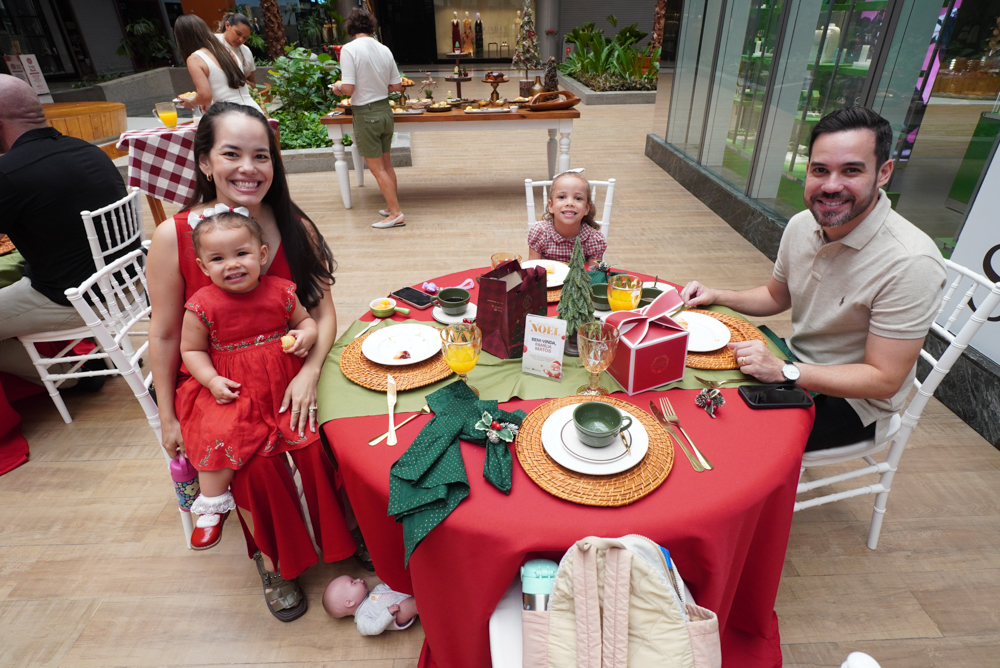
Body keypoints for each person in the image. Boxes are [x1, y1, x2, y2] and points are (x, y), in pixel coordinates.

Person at [147, 101, 359, 622]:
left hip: (292, 369)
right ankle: (273, 558)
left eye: (261, 155)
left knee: (321, 441)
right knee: (256, 462)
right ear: (203, 162)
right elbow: (168, 332)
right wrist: (168, 417)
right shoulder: (175, 237)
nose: (249, 168)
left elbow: (322, 314)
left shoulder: (292, 225)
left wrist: (310, 374)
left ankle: (347, 535)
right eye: (231, 153)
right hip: (223, 382)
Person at [680, 106, 947, 452]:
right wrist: (718, 293)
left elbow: (884, 379)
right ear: (807, 171)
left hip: (857, 402)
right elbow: (777, 296)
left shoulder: (912, 262)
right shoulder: (803, 224)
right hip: (796, 360)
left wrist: (786, 371)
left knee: (724, 440)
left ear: (883, 173)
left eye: (851, 170)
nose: (831, 186)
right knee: (690, 390)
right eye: (821, 170)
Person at [177, 211, 318, 551]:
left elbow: (306, 320)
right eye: (218, 258)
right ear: (203, 266)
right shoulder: (201, 306)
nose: (232, 264)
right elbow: (191, 350)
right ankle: (211, 505)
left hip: (281, 384)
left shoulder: (281, 292)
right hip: (232, 387)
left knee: (316, 437)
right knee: (219, 432)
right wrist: (211, 380)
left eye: (241, 253)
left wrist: (305, 335)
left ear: (262, 255)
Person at [0, 73, 131, 389]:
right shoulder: (89, 150)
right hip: (129, 284)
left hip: (78, 298)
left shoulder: (10, 173)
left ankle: (72, 376)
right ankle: (89, 358)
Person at [329, 9, 405, 229]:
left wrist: (337, 88)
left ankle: (396, 213)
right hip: (384, 110)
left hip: (366, 113)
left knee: (377, 168)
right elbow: (397, 86)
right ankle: (392, 207)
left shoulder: (349, 50)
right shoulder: (384, 49)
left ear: (351, 28)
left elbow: (349, 87)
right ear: (371, 27)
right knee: (387, 165)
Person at [173, 15, 261, 114]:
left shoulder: (195, 58)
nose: (241, 40)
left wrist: (192, 103)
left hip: (230, 117)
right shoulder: (226, 50)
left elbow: (205, 96)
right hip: (254, 112)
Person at [527, 171, 607, 263]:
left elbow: (595, 276)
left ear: (586, 208)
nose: (570, 203)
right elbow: (532, 270)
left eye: (578, 198)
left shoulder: (594, 240)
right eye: (561, 197)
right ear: (551, 206)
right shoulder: (540, 234)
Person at [323, 576, 418, 635]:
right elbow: (374, 628)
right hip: (397, 614)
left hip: (404, 594)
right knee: (409, 605)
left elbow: (390, 587)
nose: (359, 579)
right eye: (354, 582)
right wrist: (387, 613)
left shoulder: (376, 590)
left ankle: (421, 595)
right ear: (349, 602)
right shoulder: (362, 619)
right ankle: (421, 604)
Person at [215, 13, 256, 88]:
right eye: (238, 33)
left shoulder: (246, 51)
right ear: (227, 25)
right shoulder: (212, 42)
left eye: (245, 38)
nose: (241, 40)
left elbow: (253, 84)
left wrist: (245, 84)